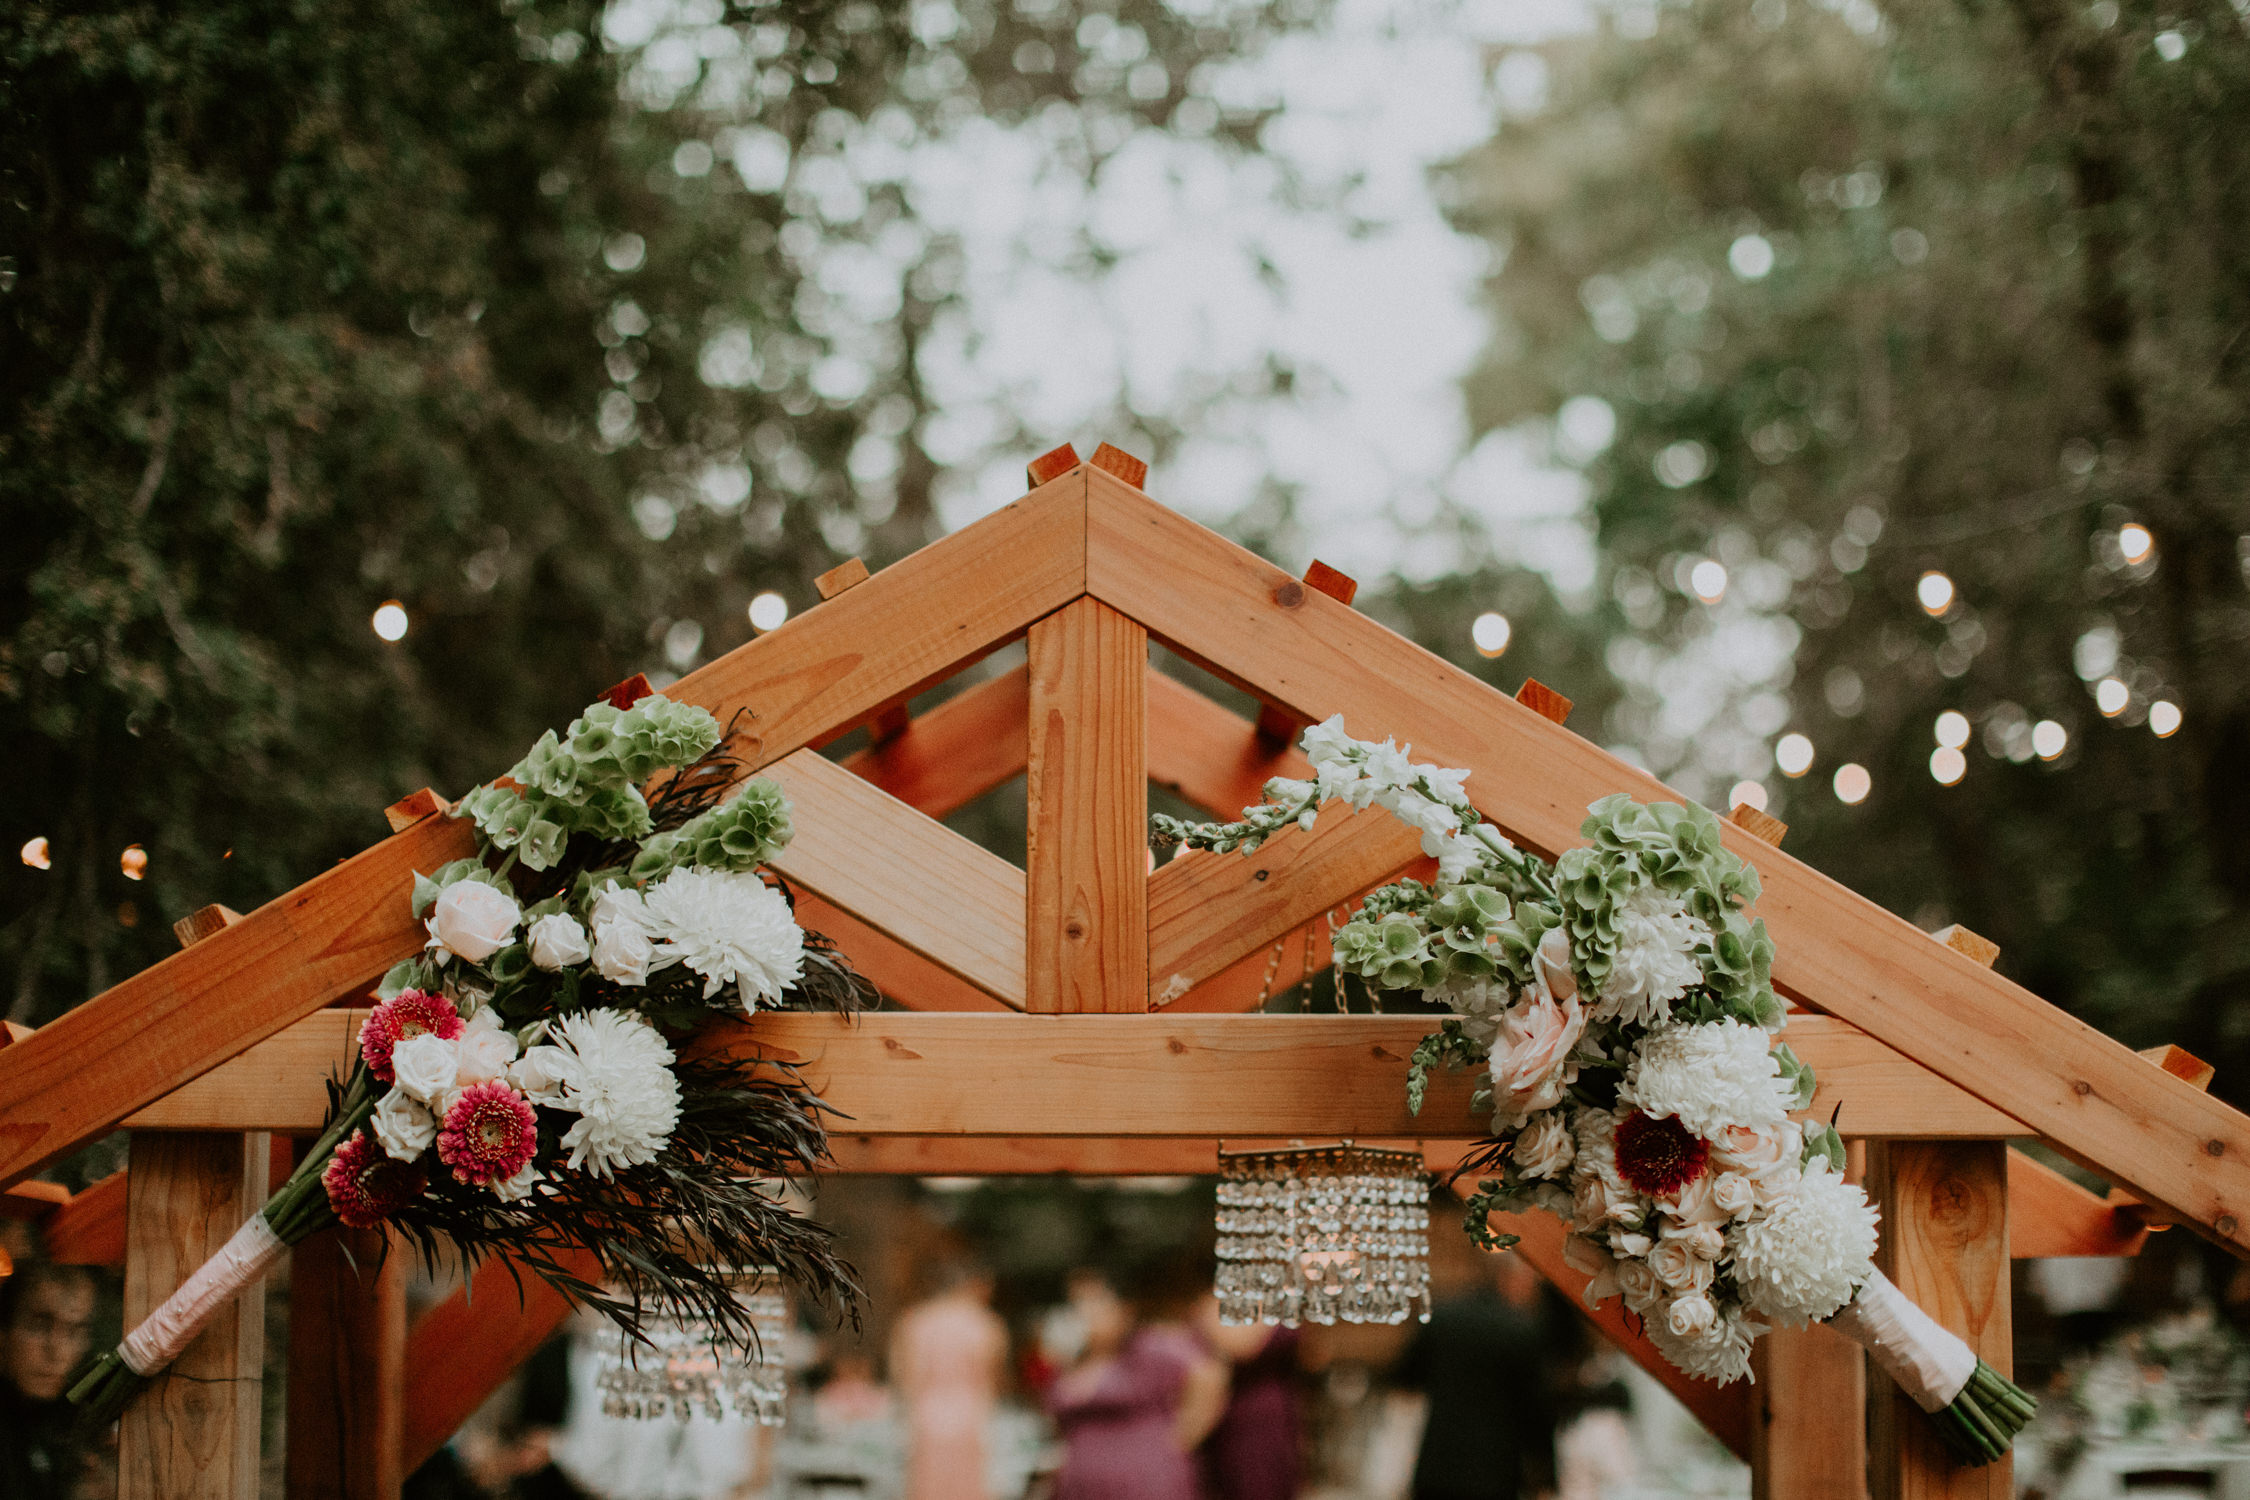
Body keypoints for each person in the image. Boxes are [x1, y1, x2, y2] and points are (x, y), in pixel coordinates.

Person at [1392, 1251, 1564, 1500]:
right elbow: (1536, 1410)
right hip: (1494, 1472)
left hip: (1437, 1465)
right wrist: (1547, 1475)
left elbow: (1406, 1378)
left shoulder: (1442, 1316)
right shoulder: (1520, 1330)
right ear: (1509, 1277)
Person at [1046, 1269, 1227, 1500]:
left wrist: (1183, 1436)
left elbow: (1209, 1374)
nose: (1084, 1312)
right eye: (1076, 1303)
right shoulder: (1071, 1359)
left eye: (1095, 1302)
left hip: (1145, 1480)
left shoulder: (1150, 1345)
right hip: (1084, 1485)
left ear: (1123, 1308)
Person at [890, 1259, 1008, 1500]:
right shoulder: (985, 1323)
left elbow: (902, 1376)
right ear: (974, 1285)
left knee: (926, 1489)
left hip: (925, 1416)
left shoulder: (915, 1322)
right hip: (971, 1416)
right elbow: (994, 1378)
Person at [0, 1260, 98, 1500]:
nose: (58, 1351)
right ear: (3, 1333)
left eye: (74, 1332)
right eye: (38, 1326)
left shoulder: (64, 1423)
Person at [1196, 1301, 1304, 1500]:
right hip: (1244, 1417)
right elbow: (1240, 1345)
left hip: (1278, 1415)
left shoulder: (1280, 1291)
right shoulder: (1222, 1294)